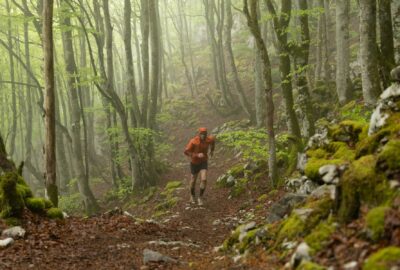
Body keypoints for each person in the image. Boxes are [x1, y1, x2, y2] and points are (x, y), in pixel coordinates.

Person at [184, 127, 215, 206]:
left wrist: (212, 151)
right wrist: (196, 155)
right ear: (199, 134)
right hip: (194, 162)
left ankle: (200, 197)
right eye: (202, 134)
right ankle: (192, 195)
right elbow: (186, 151)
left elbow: (213, 141)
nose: (203, 136)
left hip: (203, 162)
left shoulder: (209, 139)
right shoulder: (193, 141)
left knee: (204, 179)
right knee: (193, 180)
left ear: (206, 134)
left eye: (205, 134)